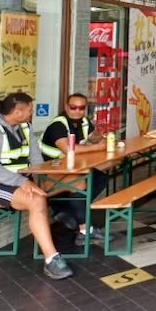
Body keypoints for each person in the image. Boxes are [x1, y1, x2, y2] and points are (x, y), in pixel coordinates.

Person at [0, 93, 73, 280]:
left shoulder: (25, 127)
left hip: (23, 180)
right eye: (29, 110)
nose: (32, 113)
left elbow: (35, 159)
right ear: (17, 112)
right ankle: (52, 259)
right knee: (37, 200)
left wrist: (42, 178)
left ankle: (77, 223)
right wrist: (24, 182)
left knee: (77, 182)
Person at [39, 93, 108, 245]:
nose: (77, 110)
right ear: (66, 107)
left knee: (100, 178)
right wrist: (97, 147)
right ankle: (83, 229)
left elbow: (96, 137)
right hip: (51, 173)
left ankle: (68, 213)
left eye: (81, 107)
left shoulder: (84, 121)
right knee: (80, 183)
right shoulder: (58, 125)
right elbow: (68, 149)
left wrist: (103, 141)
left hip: (71, 168)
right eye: (73, 107)